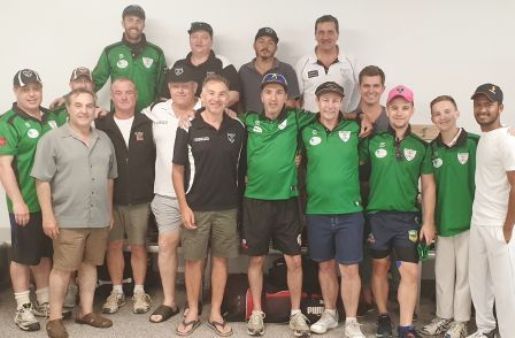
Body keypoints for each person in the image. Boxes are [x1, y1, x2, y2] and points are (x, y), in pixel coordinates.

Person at [31, 88, 117, 338]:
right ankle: (55, 318)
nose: (83, 110)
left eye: (89, 106)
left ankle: (86, 311)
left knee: (90, 265)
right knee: (63, 268)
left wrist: (109, 212)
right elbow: (42, 181)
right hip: (67, 217)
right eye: (78, 105)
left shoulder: (104, 139)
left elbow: (110, 179)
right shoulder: (52, 140)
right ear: (67, 109)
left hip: (98, 217)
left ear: (94, 109)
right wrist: (48, 215)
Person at [172, 74, 245, 337]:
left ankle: (215, 312)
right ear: (201, 96)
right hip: (196, 207)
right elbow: (177, 170)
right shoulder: (188, 125)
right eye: (211, 93)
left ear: (228, 98)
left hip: (227, 208)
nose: (216, 98)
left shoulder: (238, 128)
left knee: (221, 261)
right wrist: (184, 206)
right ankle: (192, 310)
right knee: (193, 261)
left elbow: (242, 171)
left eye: (221, 94)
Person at [360, 85, 436, 338]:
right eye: (394, 108)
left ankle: (405, 326)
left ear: (412, 110)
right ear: (387, 110)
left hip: (407, 219)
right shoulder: (373, 141)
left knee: (410, 271)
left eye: (405, 108)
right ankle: (383, 315)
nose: (399, 113)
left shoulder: (421, 146)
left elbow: (427, 186)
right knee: (380, 268)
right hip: (378, 217)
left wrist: (428, 221)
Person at [0, 69, 69, 331]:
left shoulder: (52, 117)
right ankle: (23, 308)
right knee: (22, 256)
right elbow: (4, 166)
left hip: (52, 203)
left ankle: (43, 299)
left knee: (44, 253)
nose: (31, 93)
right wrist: (17, 201)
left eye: (35, 88)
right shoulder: (8, 121)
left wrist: (66, 98)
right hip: (26, 202)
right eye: (25, 89)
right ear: (15, 92)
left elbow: (81, 105)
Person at [302, 82, 365, 337]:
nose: (330, 105)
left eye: (335, 100)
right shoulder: (306, 130)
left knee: (349, 268)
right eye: (325, 100)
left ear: (342, 103)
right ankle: (330, 313)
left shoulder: (355, 128)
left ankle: (351, 319)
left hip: (349, 210)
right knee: (325, 266)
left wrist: (362, 117)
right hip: (317, 210)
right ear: (318, 102)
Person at [142, 65, 201, 323]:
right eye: (176, 85)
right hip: (165, 193)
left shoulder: (206, 108)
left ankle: (194, 300)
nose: (180, 89)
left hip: (199, 195)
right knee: (166, 244)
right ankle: (169, 301)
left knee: (195, 250)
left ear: (195, 88)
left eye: (186, 85)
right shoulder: (156, 111)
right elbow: (126, 117)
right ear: (169, 88)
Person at [94, 78, 155, 315]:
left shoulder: (147, 123)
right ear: (111, 96)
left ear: (136, 94)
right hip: (111, 198)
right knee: (114, 245)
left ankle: (139, 290)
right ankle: (117, 291)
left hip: (141, 197)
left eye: (128, 92)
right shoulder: (101, 123)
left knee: (139, 246)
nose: (123, 97)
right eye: (118, 93)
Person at [419, 95, 477, 338]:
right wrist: (429, 222)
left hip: (469, 223)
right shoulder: (431, 149)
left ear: (457, 112)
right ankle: (443, 316)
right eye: (437, 113)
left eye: (447, 111)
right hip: (443, 223)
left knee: (465, 274)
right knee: (443, 274)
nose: (442, 117)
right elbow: (429, 188)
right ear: (432, 118)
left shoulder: (474, 143)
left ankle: (461, 321)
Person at [467, 83, 515, 338]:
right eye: (479, 104)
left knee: (506, 289)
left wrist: (507, 228)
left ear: (501, 107)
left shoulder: (508, 142)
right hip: (479, 221)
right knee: (479, 282)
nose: (483, 109)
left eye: (488, 104)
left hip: (499, 226)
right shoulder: (484, 138)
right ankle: (485, 329)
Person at [92, 4, 167, 112]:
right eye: (130, 20)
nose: (134, 24)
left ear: (144, 25)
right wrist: (68, 98)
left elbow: (164, 88)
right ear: (123, 23)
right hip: (118, 117)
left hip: (149, 117)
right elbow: (94, 82)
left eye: (138, 21)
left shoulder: (156, 53)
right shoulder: (111, 52)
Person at [296, 15, 360, 113]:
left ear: (337, 34)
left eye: (330, 32)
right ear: (315, 35)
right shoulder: (303, 63)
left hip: (343, 124)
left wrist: (356, 114)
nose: (325, 37)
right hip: (310, 125)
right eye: (321, 32)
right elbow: (295, 98)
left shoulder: (351, 62)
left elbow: (364, 90)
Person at [172, 22, 241, 107]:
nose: (199, 41)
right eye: (194, 37)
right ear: (189, 40)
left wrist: (207, 108)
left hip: (213, 115)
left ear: (211, 41)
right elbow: (165, 96)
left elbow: (235, 94)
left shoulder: (222, 63)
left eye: (204, 37)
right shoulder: (177, 65)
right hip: (183, 115)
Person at [238, 27, 300, 112]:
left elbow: (292, 103)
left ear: (276, 48)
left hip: (278, 124)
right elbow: (239, 103)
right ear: (254, 45)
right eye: (261, 41)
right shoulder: (244, 71)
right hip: (249, 124)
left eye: (270, 43)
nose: (265, 46)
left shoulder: (287, 70)